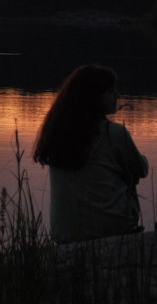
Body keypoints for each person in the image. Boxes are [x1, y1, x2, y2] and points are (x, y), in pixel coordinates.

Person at [33, 64, 149, 242]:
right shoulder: (114, 133)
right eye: (110, 92)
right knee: (130, 176)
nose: (117, 97)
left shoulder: (57, 134)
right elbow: (141, 170)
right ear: (93, 98)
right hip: (111, 230)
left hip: (64, 232)